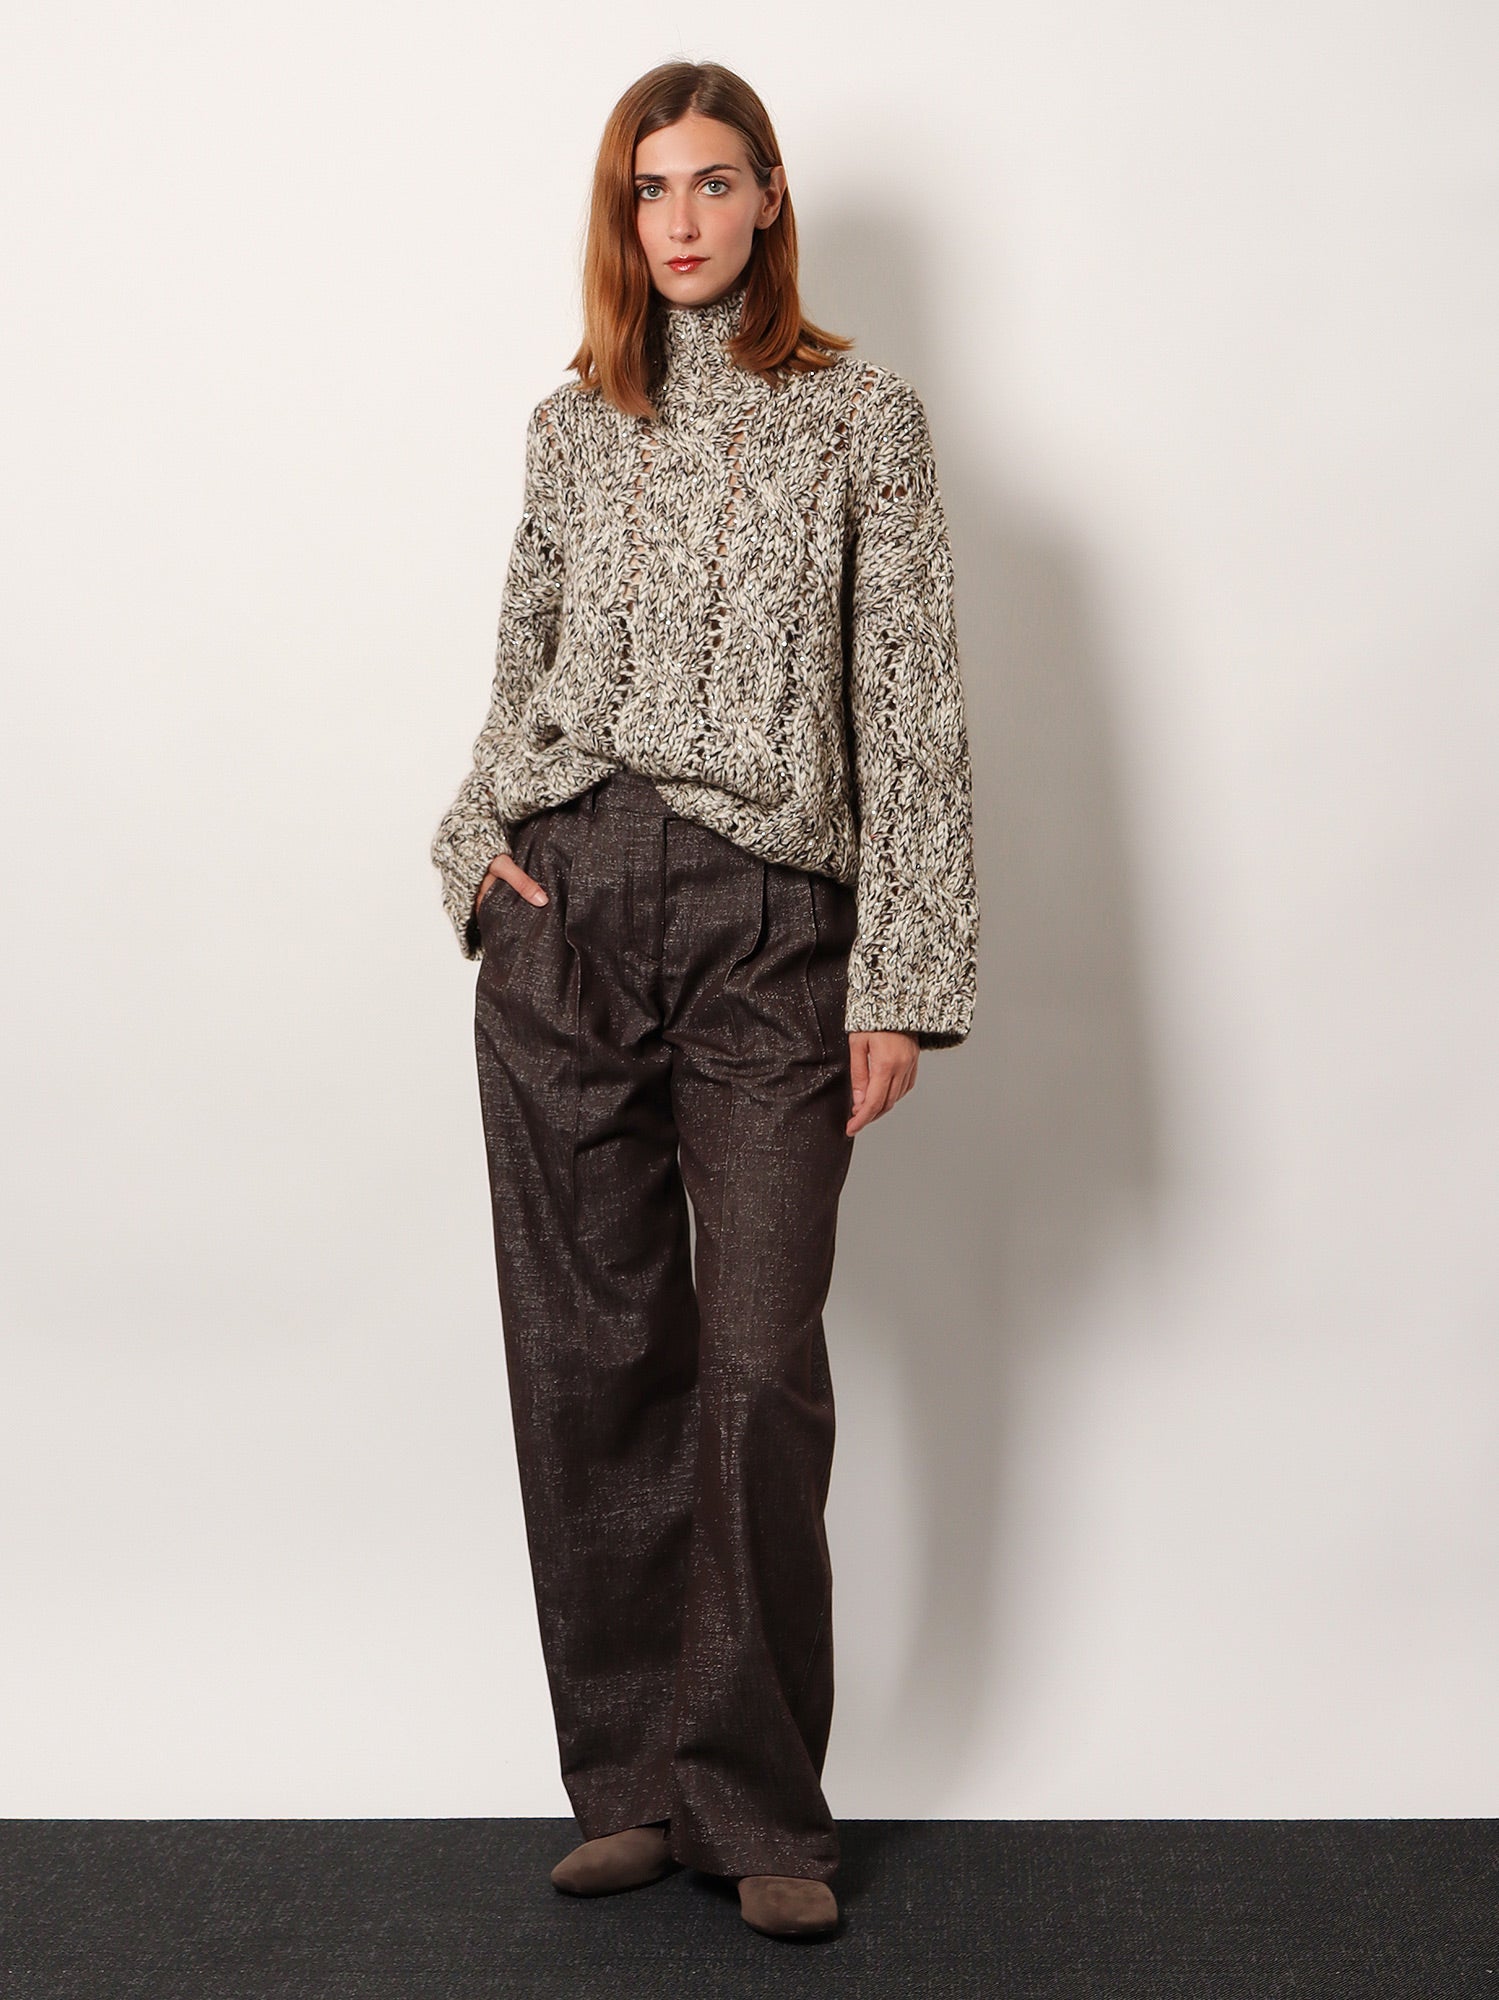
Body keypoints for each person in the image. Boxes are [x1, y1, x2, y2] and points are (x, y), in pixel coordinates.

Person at [429, 60, 979, 1941]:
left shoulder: (863, 419)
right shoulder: (572, 425)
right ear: (624, 213)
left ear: (768, 201)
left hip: (767, 931)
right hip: (566, 909)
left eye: (714, 182)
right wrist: (473, 853)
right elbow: (519, 673)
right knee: (591, 1361)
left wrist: (901, 974)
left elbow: (910, 707)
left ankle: (758, 1806)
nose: (680, 219)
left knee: (754, 1367)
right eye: (650, 188)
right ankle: (633, 1786)